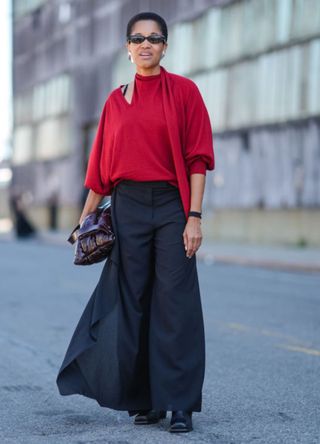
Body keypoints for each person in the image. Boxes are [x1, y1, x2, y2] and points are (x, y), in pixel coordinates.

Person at [56, 11, 215, 434]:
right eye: (137, 38)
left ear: (165, 46)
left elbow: (197, 158)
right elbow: (101, 170)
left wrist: (194, 217)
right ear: (127, 48)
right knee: (133, 304)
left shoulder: (185, 92)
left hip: (170, 206)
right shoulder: (115, 100)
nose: (146, 44)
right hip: (125, 207)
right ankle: (146, 399)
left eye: (155, 37)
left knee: (175, 303)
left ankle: (180, 403)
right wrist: (85, 218)